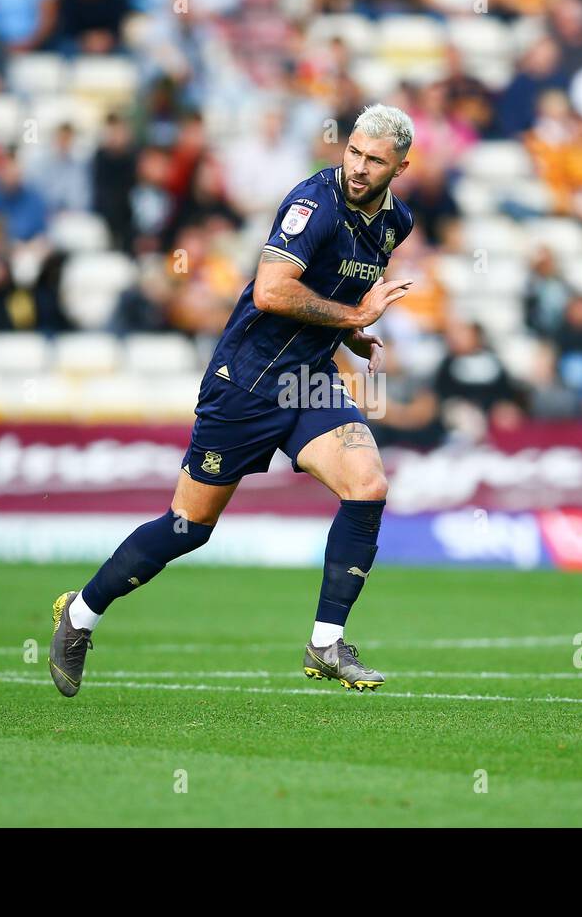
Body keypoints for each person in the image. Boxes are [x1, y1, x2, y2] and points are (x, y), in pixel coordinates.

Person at [49, 105, 417, 696]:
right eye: (353, 152)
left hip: (309, 380)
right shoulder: (313, 204)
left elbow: (336, 286)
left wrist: (349, 333)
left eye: (375, 161)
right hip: (246, 381)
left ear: (401, 166)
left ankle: (326, 642)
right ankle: (81, 615)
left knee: (368, 485)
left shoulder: (398, 223)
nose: (358, 167)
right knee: (188, 527)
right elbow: (272, 292)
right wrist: (355, 315)